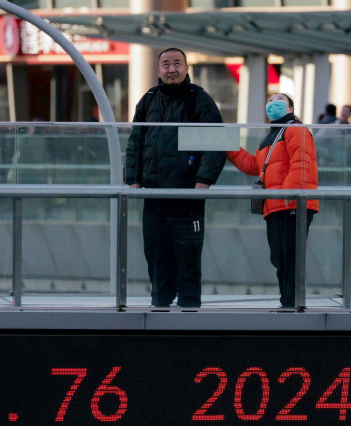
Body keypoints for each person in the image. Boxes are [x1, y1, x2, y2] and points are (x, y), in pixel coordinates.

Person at [124, 47, 226, 309]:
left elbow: (217, 143)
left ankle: (189, 307)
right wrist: (134, 180)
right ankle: (160, 303)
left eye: (177, 64)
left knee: (187, 253)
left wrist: (203, 181)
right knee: (155, 252)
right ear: (158, 69)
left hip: (186, 194)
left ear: (186, 68)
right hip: (154, 193)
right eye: (166, 64)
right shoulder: (148, 99)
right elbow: (136, 141)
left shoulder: (199, 99)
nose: (172, 69)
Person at [226, 93, 319, 309]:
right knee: (280, 258)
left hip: (291, 203)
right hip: (276, 205)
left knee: (290, 257)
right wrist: (229, 146)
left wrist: (287, 196)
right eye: (269, 100)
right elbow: (254, 166)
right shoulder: (271, 137)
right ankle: (288, 303)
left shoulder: (295, 129)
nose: (272, 103)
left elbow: (302, 163)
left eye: (278, 99)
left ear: (290, 108)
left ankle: (293, 304)